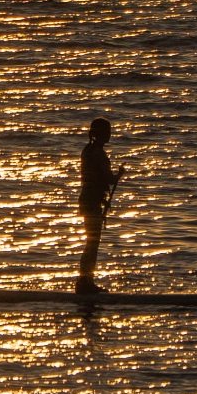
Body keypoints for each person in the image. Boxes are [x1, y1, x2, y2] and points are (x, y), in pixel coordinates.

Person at [77, 117, 124, 295]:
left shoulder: (87, 150)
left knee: (91, 242)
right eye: (108, 133)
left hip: (88, 199)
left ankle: (86, 280)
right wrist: (120, 174)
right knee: (92, 243)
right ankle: (85, 282)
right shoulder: (98, 153)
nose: (109, 137)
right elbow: (108, 179)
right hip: (91, 201)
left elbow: (93, 179)